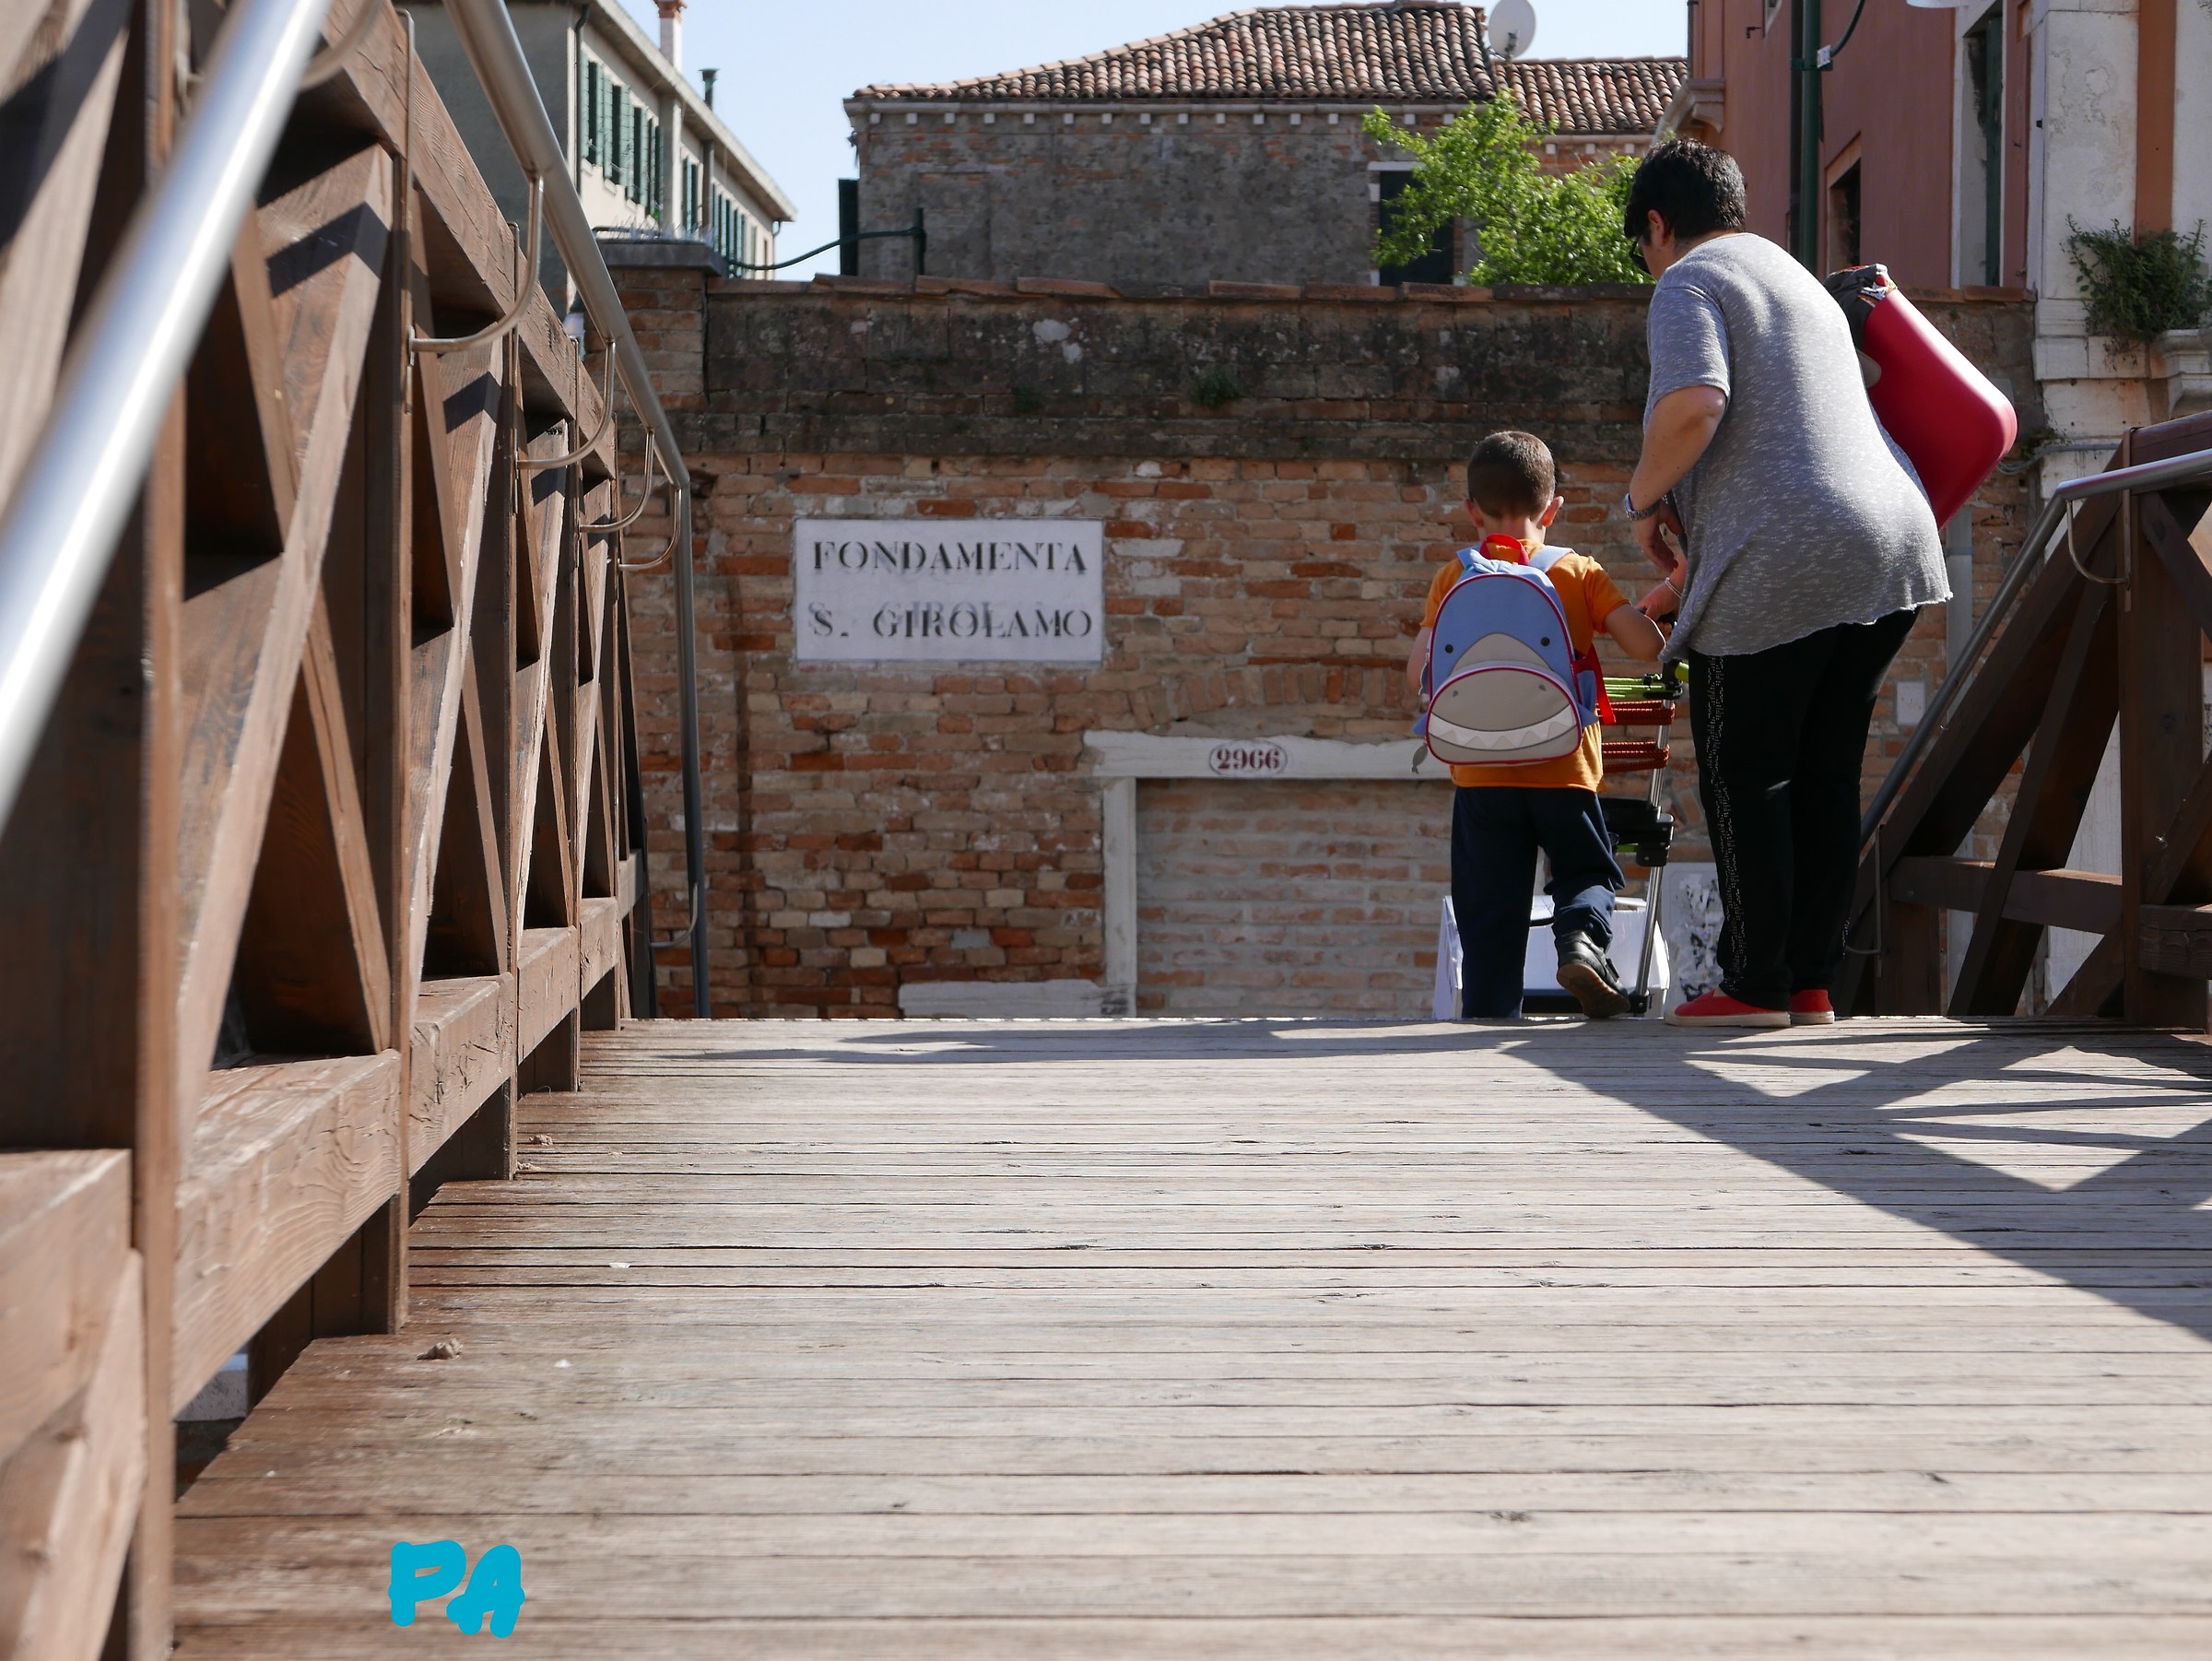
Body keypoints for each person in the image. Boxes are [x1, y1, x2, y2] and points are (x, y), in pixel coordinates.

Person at [1619, 141, 1947, 1030]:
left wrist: (1641, 499)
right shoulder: (1798, 281)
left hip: (1790, 560)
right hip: (1892, 546)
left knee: (1744, 770)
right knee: (1823, 773)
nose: (1647, 265)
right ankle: (1810, 984)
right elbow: (1783, 448)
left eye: (1640, 247)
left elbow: (1695, 406)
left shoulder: (1689, 282)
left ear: (1658, 225)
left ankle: (1756, 984)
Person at [1408, 430, 1666, 1020]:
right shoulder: (1576, 572)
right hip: (1564, 766)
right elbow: (1644, 647)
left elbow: (1419, 675)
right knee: (1586, 870)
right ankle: (1579, 939)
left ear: (1471, 509)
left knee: (1489, 904)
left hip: (1479, 773)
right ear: (1553, 509)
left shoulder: (1454, 578)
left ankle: (1489, 1010)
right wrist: (1662, 601)